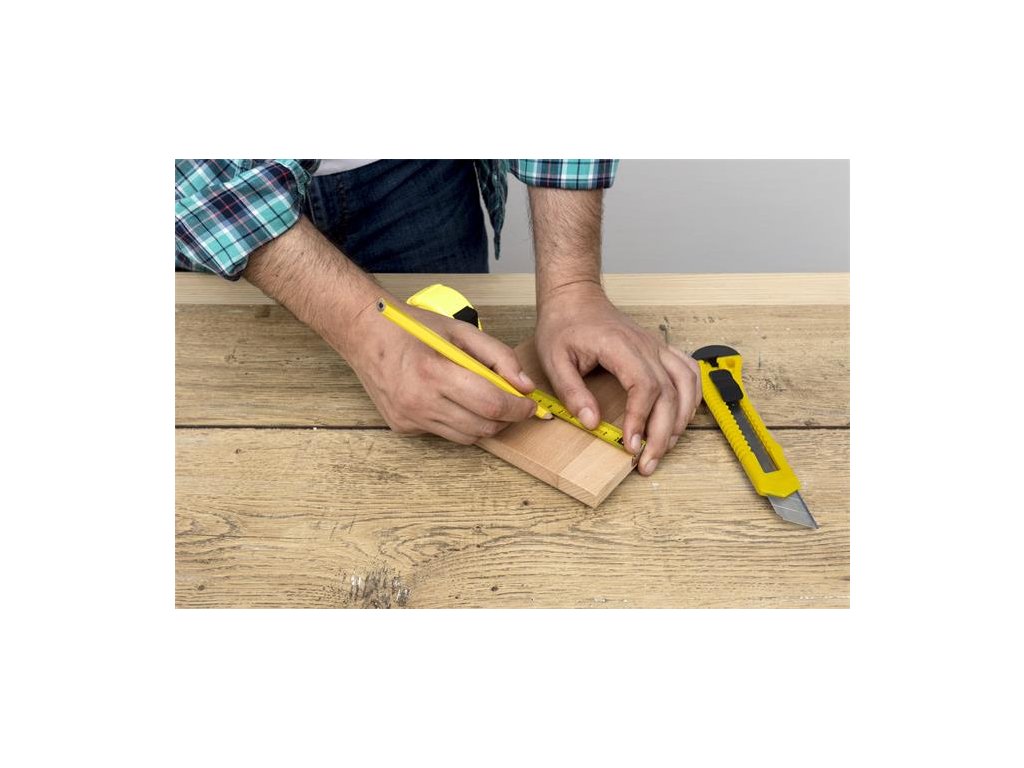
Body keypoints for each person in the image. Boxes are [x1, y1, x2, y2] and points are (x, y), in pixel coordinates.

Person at [175, 159, 701, 475]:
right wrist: (359, 324)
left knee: (457, 388)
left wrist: (572, 286)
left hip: (417, 175)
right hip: (207, 209)